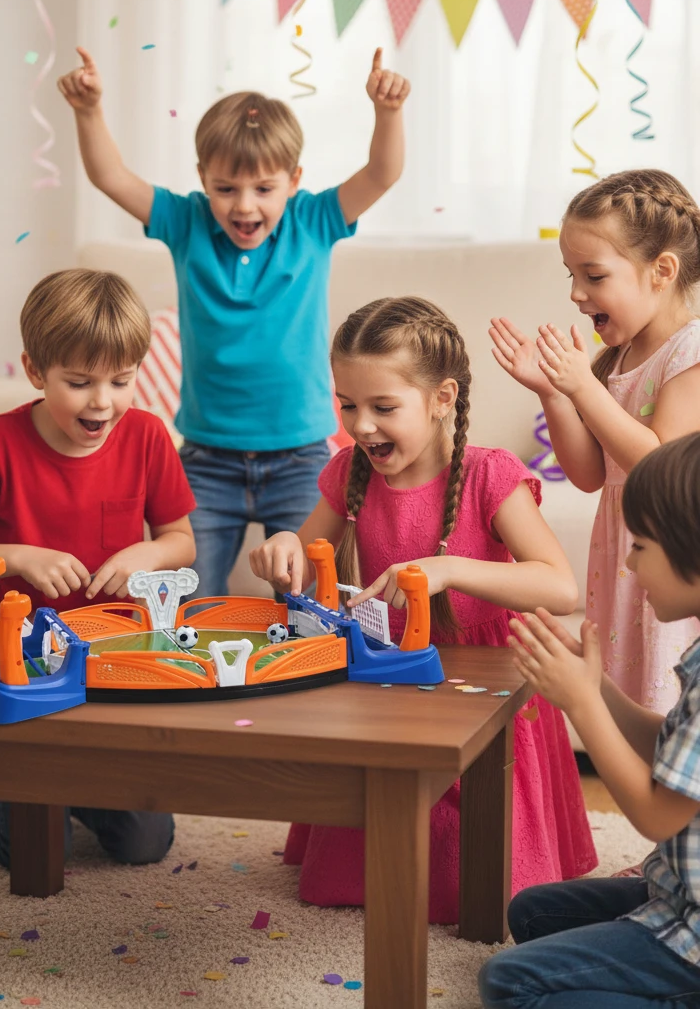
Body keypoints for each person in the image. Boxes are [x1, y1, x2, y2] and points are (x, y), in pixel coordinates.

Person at [250, 297, 596, 922]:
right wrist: (282, 548)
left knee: (490, 877)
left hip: (487, 677)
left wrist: (449, 569)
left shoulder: (491, 475)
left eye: (384, 408)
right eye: (347, 404)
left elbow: (561, 588)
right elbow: (304, 554)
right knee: (365, 854)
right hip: (393, 675)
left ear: (442, 398)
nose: (361, 426)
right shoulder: (348, 472)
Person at [57, 46, 409, 596]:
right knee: (181, 600)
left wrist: (387, 113)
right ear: (203, 180)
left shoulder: (314, 219)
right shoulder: (185, 221)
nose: (244, 206)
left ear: (293, 180)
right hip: (206, 461)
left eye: (263, 189)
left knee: (310, 604)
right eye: (226, 189)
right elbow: (110, 176)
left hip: (301, 459)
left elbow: (383, 173)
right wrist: (88, 110)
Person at [0, 268, 195, 866]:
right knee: (32, 848)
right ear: (35, 371)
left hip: (113, 660)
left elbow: (180, 541)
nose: (103, 401)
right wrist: (17, 556)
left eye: (122, 380)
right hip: (23, 665)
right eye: (79, 382)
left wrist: (146, 554)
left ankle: (71, 789)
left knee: (147, 843)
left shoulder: (148, 437)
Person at [481, 432, 700, 1008]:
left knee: (510, 983)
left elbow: (657, 814)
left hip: (694, 934)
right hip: (676, 893)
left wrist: (580, 705)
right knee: (533, 911)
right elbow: (670, 746)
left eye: (642, 546)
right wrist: (595, 685)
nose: (628, 562)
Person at [490, 169, 700, 714]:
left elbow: (660, 466)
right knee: (623, 697)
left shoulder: (690, 352)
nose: (576, 294)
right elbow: (589, 475)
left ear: (662, 271)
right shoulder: (619, 358)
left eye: (594, 275)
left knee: (663, 700)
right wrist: (555, 394)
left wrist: (585, 385)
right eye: (570, 274)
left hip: (671, 557)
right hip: (623, 561)